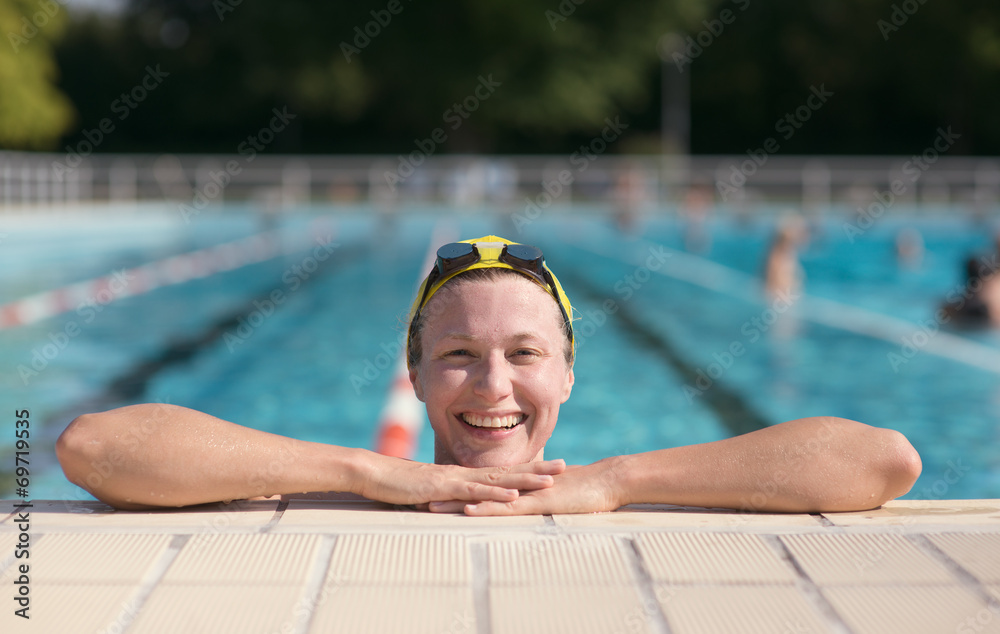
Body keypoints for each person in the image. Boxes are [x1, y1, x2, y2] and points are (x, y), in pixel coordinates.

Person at [56, 235, 922, 515]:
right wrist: (367, 469)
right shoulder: (362, 481)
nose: (492, 388)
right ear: (417, 375)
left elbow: (883, 461)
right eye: (459, 356)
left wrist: (617, 482)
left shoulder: (610, 485)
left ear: (571, 376)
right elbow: (93, 446)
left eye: (525, 355)